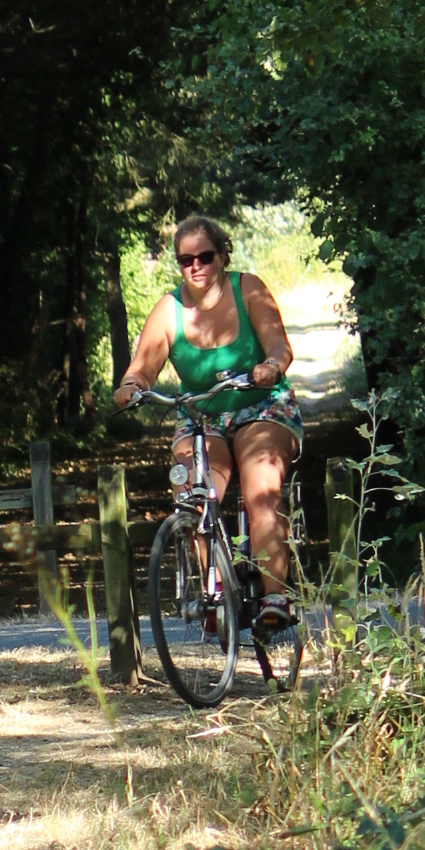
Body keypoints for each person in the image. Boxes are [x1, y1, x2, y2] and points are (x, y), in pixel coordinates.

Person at [115, 216, 305, 626]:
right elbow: (141, 369)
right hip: (202, 413)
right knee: (194, 490)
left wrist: (272, 364)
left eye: (205, 256)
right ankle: (214, 590)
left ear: (222, 256)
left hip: (260, 406)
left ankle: (275, 597)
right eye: (186, 260)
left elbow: (278, 344)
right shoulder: (170, 309)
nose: (196, 266)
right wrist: (132, 386)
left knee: (261, 488)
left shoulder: (247, 288)